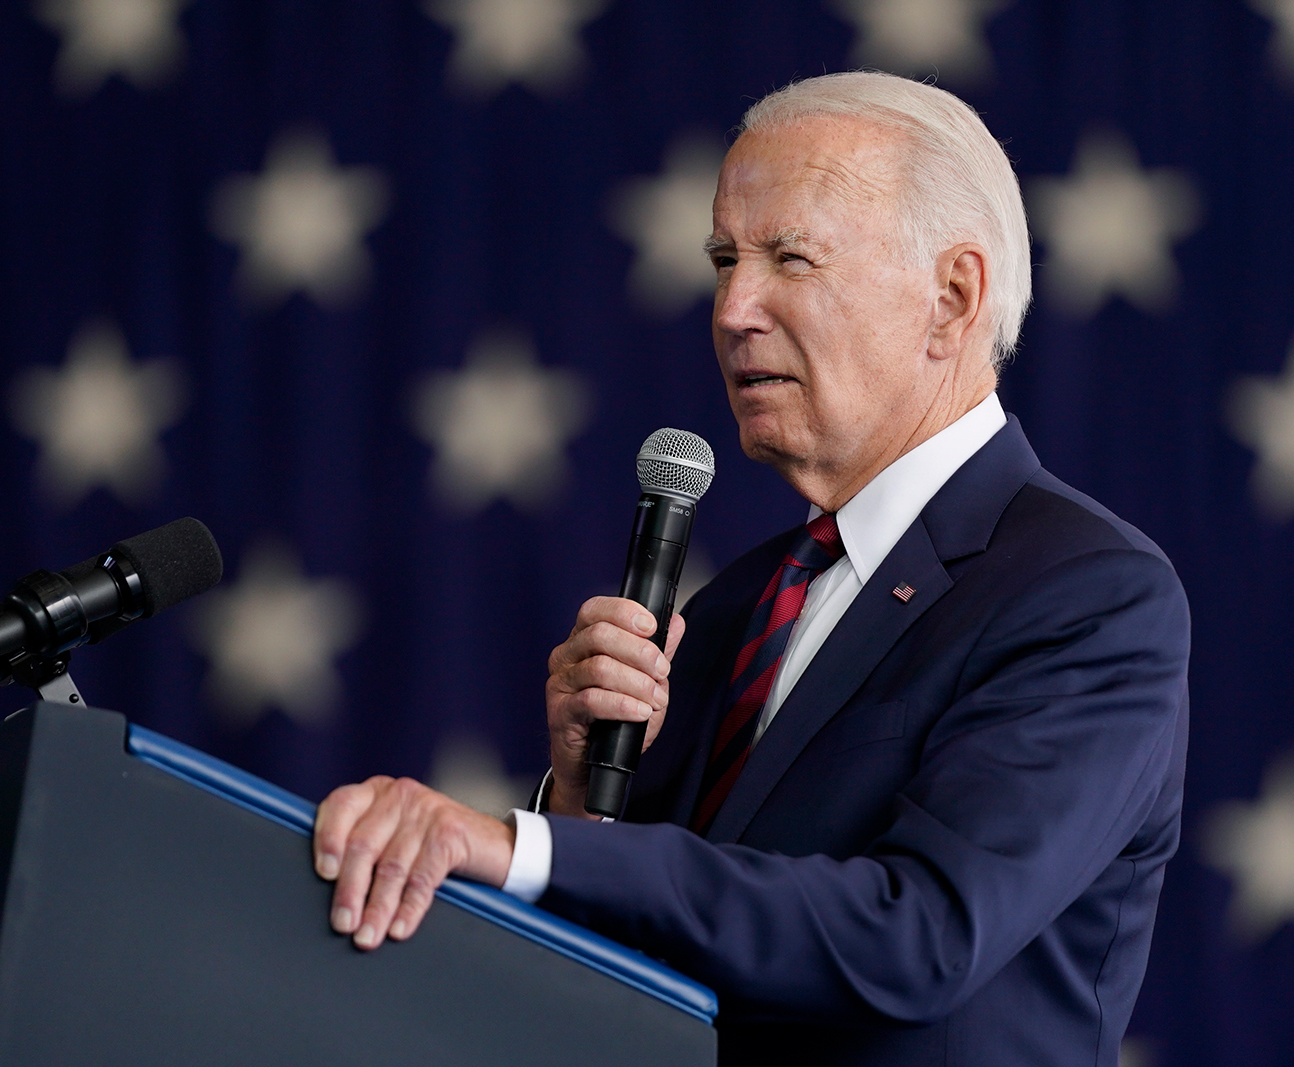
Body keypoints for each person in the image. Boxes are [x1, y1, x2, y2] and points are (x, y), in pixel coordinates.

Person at [312, 71, 1189, 1067]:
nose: (733, 308)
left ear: (950, 298)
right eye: (725, 260)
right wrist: (580, 798)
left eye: (791, 259)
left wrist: (520, 845)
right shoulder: (737, 604)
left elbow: (921, 935)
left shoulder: (1085, 590)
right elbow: (642, 953)